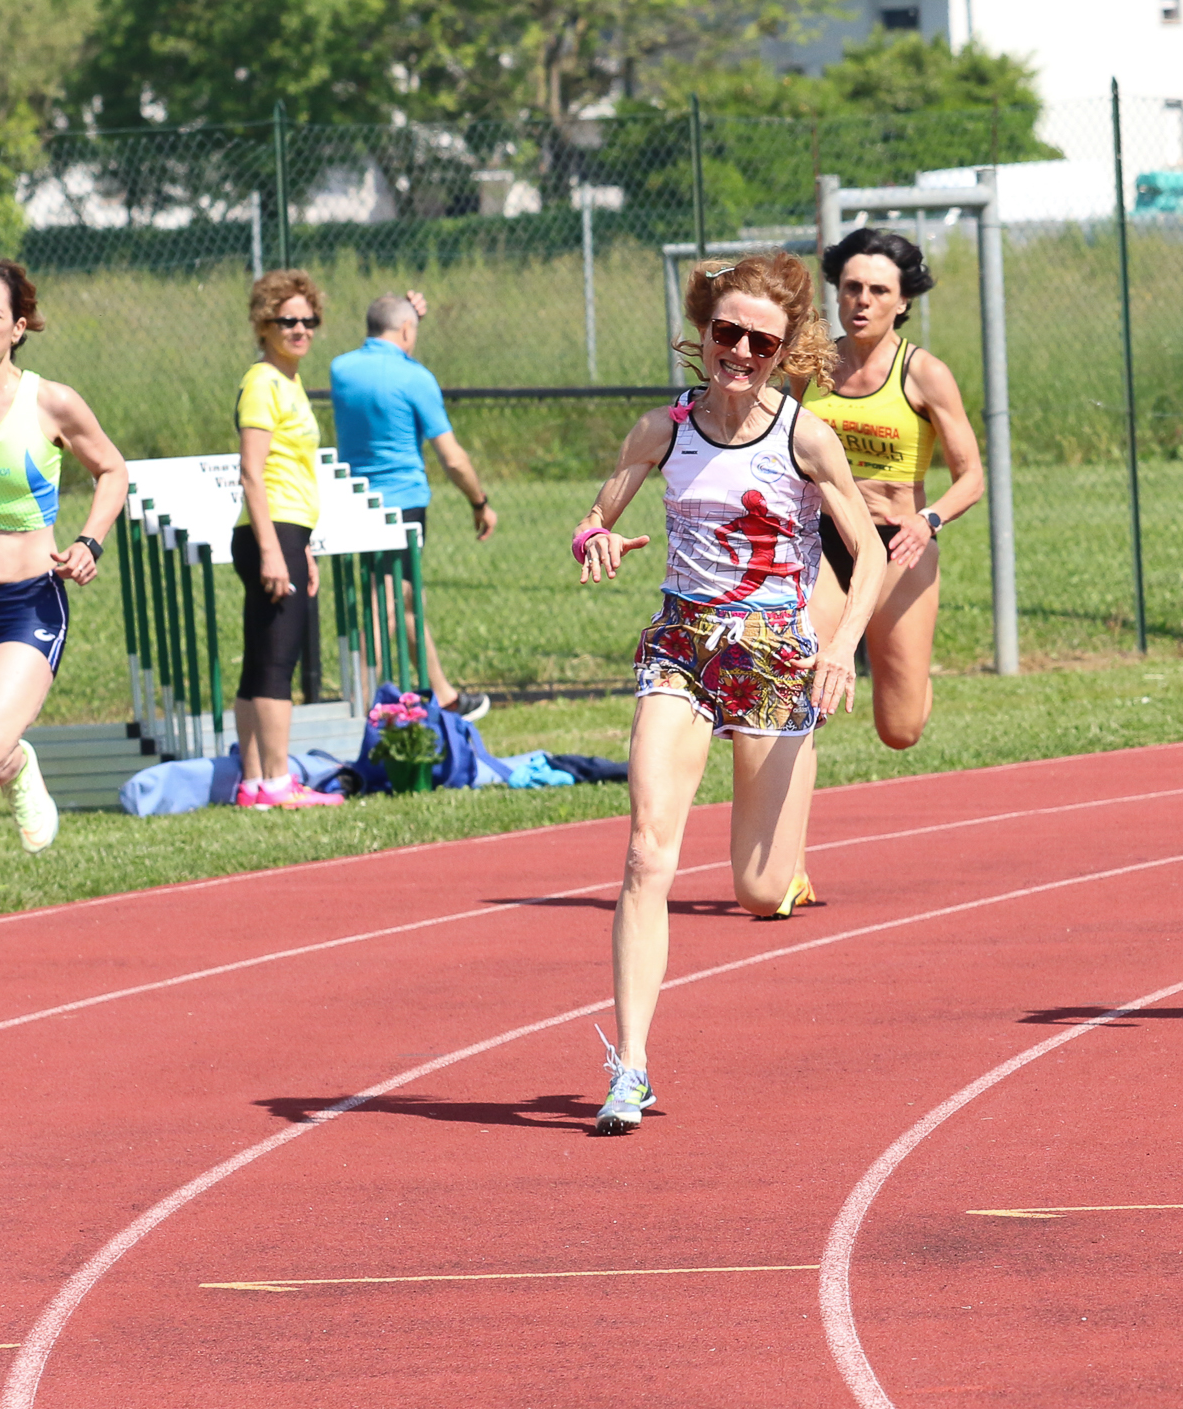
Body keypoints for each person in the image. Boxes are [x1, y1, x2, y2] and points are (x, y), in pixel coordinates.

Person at [572, 252, 887, 1134]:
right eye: (727, 333)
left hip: (776, 658)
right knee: (646, 855)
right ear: (703, 333)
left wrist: (841, 647)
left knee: (757, 887)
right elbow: (595, 519)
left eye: (761, 341)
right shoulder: (663, 430)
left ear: (785, 350)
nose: (740, 352)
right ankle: (630, 1066)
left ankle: (798, 772)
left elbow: (868, 553)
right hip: (682, 648)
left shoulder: (805, 439)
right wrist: (595, 540)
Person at [0, 259, 129, 967]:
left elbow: (113, 470)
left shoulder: (50, 403)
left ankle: (14, 764)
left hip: (24, 605)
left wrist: (89, 541)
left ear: (18, 326)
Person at [803, 227, 983, 748]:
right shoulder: (810, 366)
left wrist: (928, 521)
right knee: (799, 690)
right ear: (838, 292)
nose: (863, 301)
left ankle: (911, 672)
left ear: (902, 301)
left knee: (899, 730)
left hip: (898, 544)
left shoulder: (924, 373)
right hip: (821, 539)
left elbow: (971, 477)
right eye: (852, 287)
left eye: (879, 290)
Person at [325, 289, 498, 717]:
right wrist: (479, 501)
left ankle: (444, 696)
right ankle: (359, 706)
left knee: (403, 600)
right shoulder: (415, 377)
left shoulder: (341, 370)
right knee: (384, 605)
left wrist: (401, 312)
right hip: (402, 508)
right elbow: (452, 459)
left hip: (355, 502)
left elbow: (382, 357)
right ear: (406, 329)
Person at [233, 271, 343, 809]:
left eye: (308, 320)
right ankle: (279, 782)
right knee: (278, 661)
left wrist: (303, 548)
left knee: (259, 661)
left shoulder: (290, 382)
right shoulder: (263, 382)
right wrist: (274, 550)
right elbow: (252, 472)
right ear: (264, 324)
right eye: (287, 321)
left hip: (287, 532)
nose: (300, 329)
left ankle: (253, 784)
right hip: (269, 531)